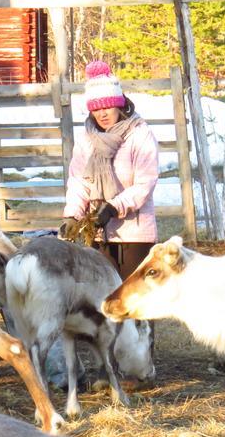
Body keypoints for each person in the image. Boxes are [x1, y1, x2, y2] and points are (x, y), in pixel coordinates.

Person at [60, 60, 159, 281]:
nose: (102, 114)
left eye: (107, 106)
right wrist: (73, 216)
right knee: (102, 300)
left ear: (119, 104)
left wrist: (113, 208)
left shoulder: (139, 135)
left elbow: (145, 183)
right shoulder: (87, 139)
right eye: (95, 108)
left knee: (133, 301)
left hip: (134, 234)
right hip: (98, 231)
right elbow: (79, 182)